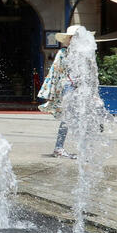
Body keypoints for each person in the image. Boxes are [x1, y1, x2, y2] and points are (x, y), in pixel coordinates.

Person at [38, 26, 80, 159]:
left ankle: (80, 147)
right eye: (74, 37)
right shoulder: (63, 52)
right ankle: (59, 147)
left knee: (80, 116)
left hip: (80, 87)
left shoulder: (85, 52)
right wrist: (50, 92)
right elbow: (55, 71)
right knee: (68, 117)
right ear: (69, 39)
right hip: (68, 86)